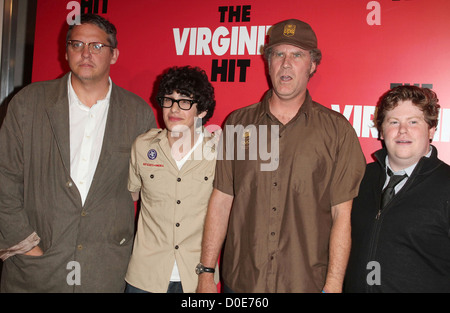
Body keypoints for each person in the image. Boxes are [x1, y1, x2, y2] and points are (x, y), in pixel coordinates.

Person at [196, 19, 366, 293]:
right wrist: (206, 271)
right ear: (268, 62)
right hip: (242, 283)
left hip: (305, 284)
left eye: (297, 55)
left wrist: (333, 285)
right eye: (278, 54)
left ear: (312, 65)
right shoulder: (238, 123)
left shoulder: (337, 131)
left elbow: (342, 216)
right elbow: (222, 200)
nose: (286, 63)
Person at [0, 13, 156, 292]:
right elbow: (4, 178)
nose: (86, 53)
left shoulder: (138, 114)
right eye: (76, 44)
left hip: (104, 268)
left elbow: (151, 190)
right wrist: (23, 244)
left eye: (97, 46)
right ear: (66, 51)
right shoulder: (29, 103)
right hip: (38, 266)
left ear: (114, 55)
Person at [345, 86, 450, 293]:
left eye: (413, 122)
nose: (403, 130)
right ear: (381, 130)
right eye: (393, 122)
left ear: (431, 130)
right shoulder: (359, 178)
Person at [124, 66, 219, 293]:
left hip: (196, 276)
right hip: (145, 276)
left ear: (202, 111)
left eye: (184, 101)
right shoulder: (142, 146)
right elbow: (131, 195)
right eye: (169, 100)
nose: (174, 109)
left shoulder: (219, 152)